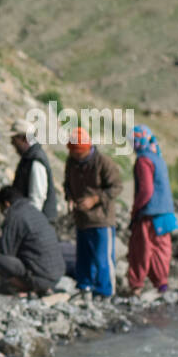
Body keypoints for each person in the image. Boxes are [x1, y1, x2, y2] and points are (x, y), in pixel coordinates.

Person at [62, 127, 122, 298]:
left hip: (101, 219)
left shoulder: (103, 163)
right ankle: (84, 286)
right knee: (83, 256)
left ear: (87, 148)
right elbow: (67, 183)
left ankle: (106, 291)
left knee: (102, 258)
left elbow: (116, 187)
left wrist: (95, 199)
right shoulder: (71, 162)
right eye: (73, 151)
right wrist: (70, 197)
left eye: (78, 151)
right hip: (81, 218)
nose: (75, 155)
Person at [125, 124, 178, 295]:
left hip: (149, 215)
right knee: (161, 251)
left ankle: (136, 287)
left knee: (140, 250)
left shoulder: (143, 160)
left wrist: (136, 209)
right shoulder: (158, 157)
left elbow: (146, 190)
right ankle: (162, 285)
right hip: (166, 214)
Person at [0, 185, 65, 295]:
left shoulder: (14, 215)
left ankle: (23, 286)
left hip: (39, 278)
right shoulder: (33, 211)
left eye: (1, 208)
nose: (2, 212)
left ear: (7, 204)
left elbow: (7, 252)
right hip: (56, 275)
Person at [9, 118, 58, 219]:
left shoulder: (36, 160)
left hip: (38, 222)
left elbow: (37, 198)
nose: (12, 143)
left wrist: (30, 221)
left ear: (24, 138)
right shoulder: (28, 158)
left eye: (14, 139)